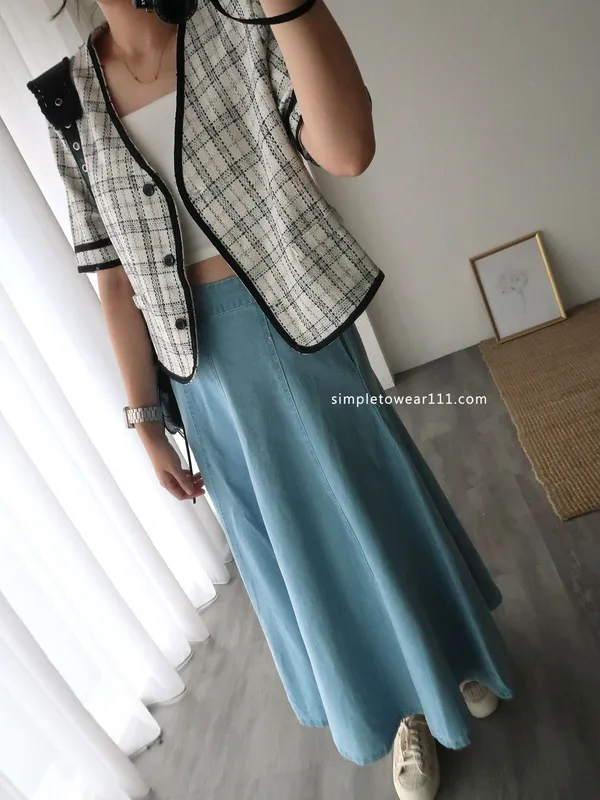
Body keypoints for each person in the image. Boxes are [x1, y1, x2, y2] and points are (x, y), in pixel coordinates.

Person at [33, 2, 513, 797]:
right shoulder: (66, 98)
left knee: (377, 503)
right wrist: (145, 420)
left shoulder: (241, 21)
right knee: (300, 553)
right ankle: (403, 709)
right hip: (203, 372)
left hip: (299, 322)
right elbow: (114, 282)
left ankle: (447, 656)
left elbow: (347, 149)